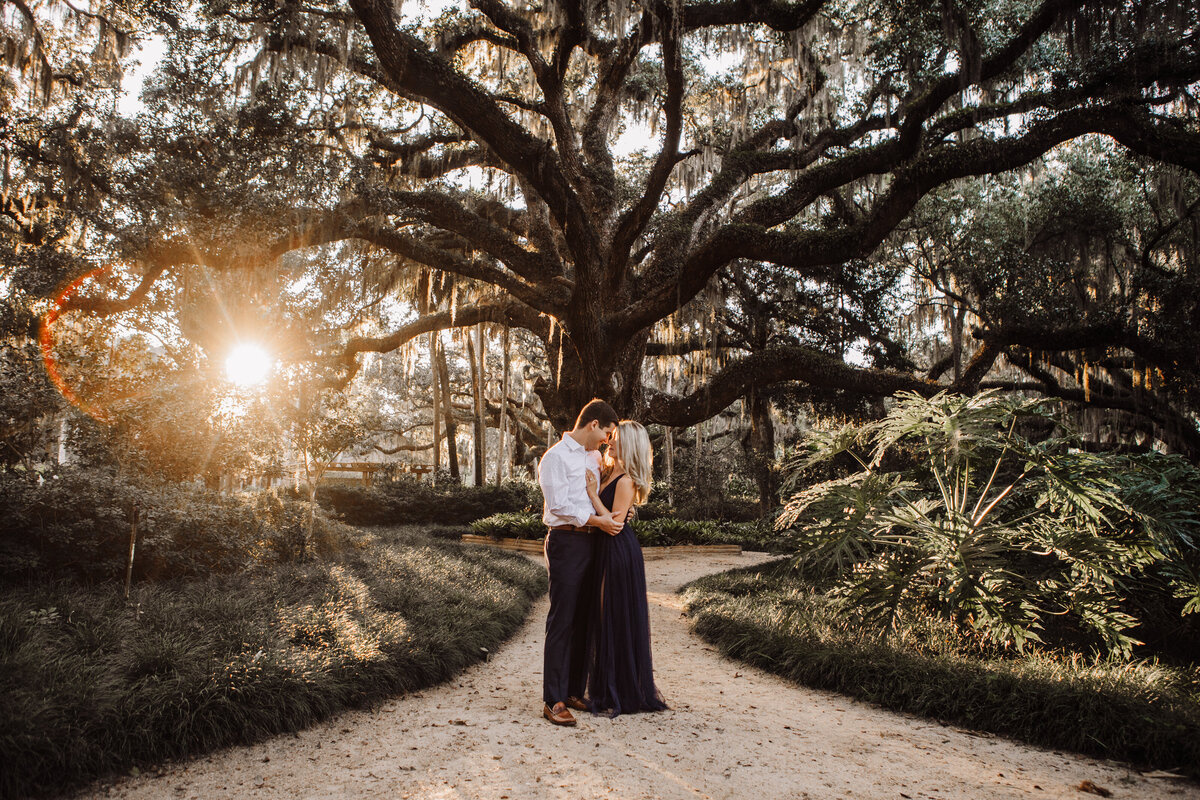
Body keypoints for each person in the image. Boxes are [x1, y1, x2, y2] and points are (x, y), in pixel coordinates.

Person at [537, 399, 623, 726]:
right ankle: (553, 699)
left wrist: (614, 512)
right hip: (567, 541)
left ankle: (573, 689)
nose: (608, 440)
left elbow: (598, 493)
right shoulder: (554, 458)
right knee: (563, 619)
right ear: (593, 424)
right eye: (607, 432)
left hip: (593, 541)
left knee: (586, 618)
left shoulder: (594, 456)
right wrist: (596, 521)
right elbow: (558, 506)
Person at [583, 420, 669, 717]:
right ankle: (606, 685)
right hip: (603, 550)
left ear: (629, 444)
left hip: (617, 551)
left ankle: (618, 690)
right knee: (603, 615)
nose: (609, 440)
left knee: (613, 615)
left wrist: (594, 495)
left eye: (615, 438)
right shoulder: (609, 470)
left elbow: (615, 526)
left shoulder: (627, 479)